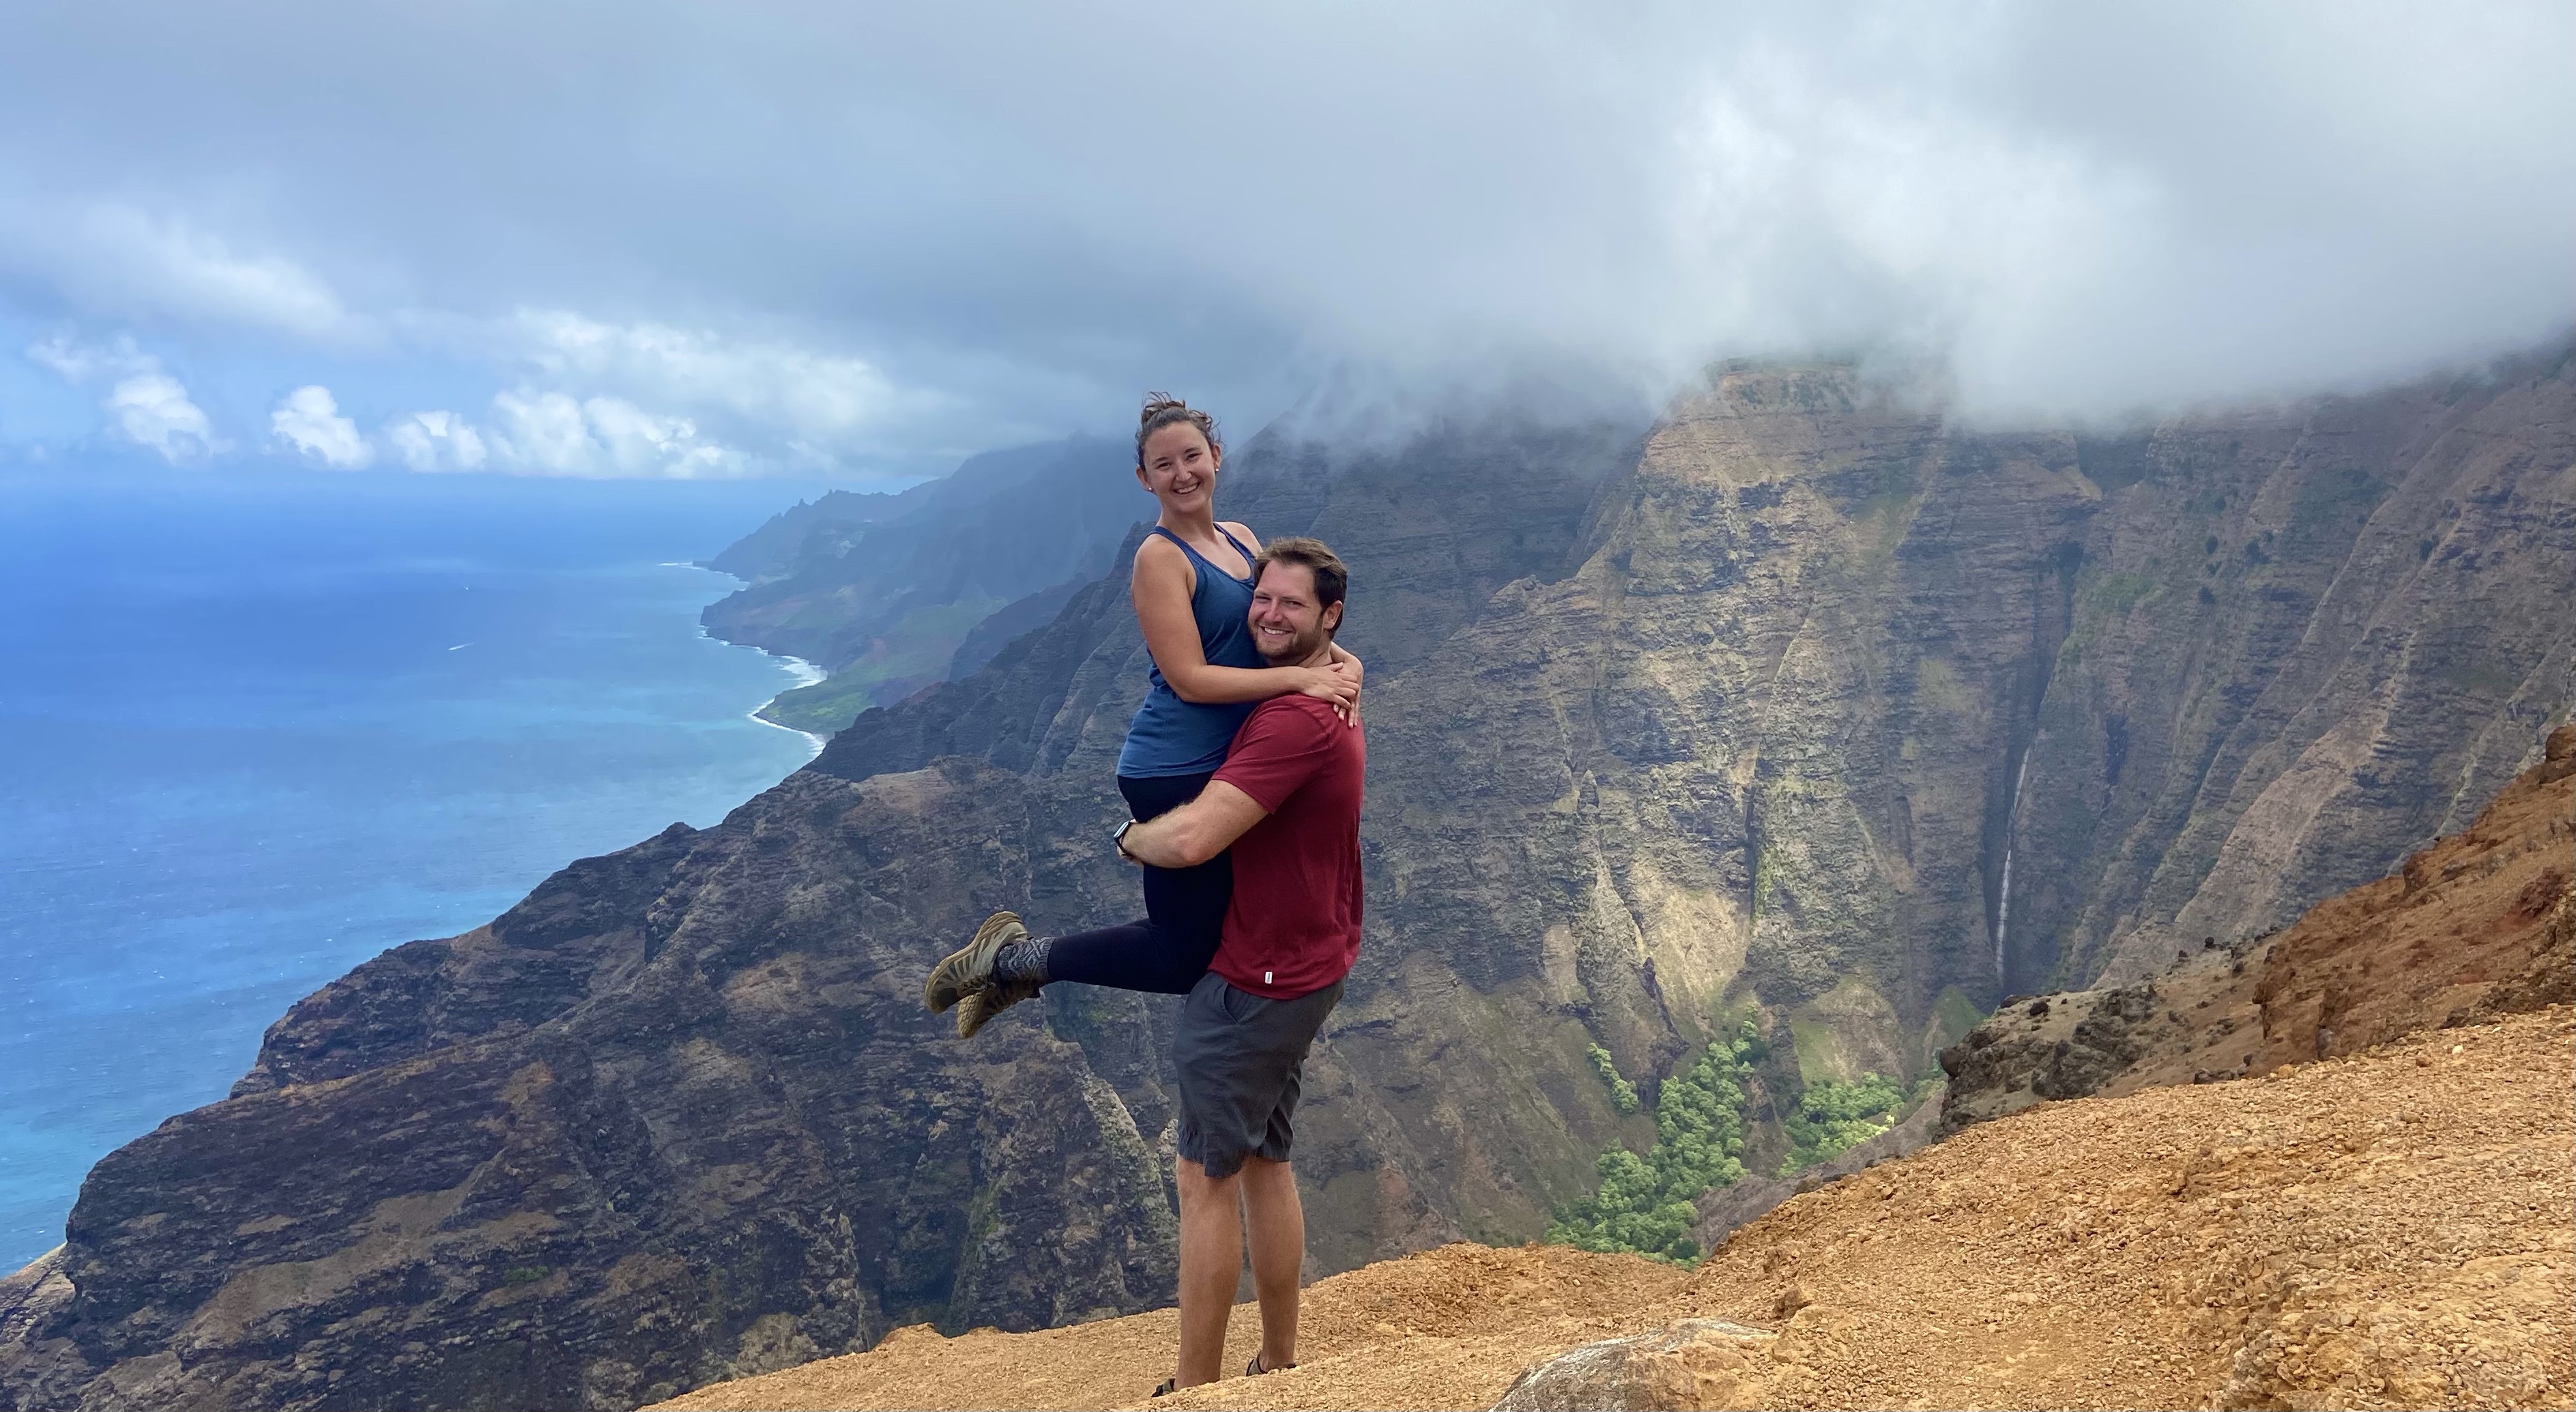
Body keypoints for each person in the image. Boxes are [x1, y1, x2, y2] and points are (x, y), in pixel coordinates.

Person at [923, 396, 1360, 1035]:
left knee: (1215, 932)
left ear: (1216, 457)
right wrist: (1300, 680)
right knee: (1179, 954)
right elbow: (1188, 679)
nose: (1182, 474)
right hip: (1174, 764)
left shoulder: (1241, 539)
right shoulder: (1160, 558)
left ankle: (1015, 966)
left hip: (1226, 757)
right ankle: (1007, 962)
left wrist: (1345, 662)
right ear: (1143, 478)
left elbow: (1280, 618)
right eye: (1163, 464)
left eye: (1191, 456)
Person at [1105, 538, 1365, 1396]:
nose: (1268, 614)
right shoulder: (1327, 684)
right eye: (1262, 597)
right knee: (1263, 1158)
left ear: (1329, 616)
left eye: (1292, 604)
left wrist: (1128, 838)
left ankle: (1194, 1388)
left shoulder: (1294, 718)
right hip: (1312, 959)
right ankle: (1279, 1358)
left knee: (1204, 1175)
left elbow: (1192, 839)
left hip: (1260, 977)